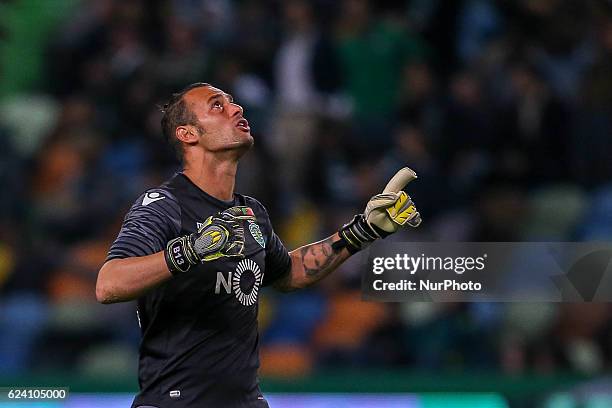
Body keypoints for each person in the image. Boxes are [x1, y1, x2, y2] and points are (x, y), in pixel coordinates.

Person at [95, 82, 422, 408]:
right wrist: (191, 250)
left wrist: (362, 231)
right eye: (217, 106)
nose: (236, 109)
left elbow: (288, 273)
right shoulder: (164, 205)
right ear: (188, 134)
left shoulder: (251, 213)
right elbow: (109, 284)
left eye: (233, 102)